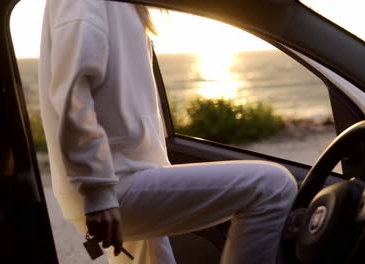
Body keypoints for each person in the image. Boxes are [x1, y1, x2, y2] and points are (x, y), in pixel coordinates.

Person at [38, 0, 297, 263]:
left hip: (126, 177)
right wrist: (99, 191)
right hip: (117, 184)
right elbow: (72, 98)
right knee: (272, 187)